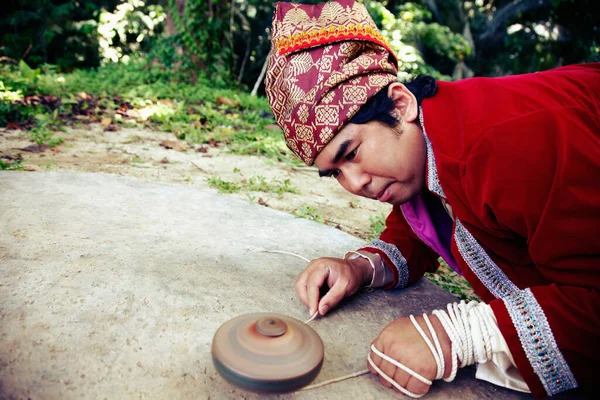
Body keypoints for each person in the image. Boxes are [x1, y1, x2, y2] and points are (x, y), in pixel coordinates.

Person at [265, 0, 599, 398]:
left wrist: (458, 335)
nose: (354, 184)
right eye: (335, 173)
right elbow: (422, 223)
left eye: (351, 153)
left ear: (400, 104)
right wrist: (362, 269)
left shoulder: (504, 146)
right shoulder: (425, 150)